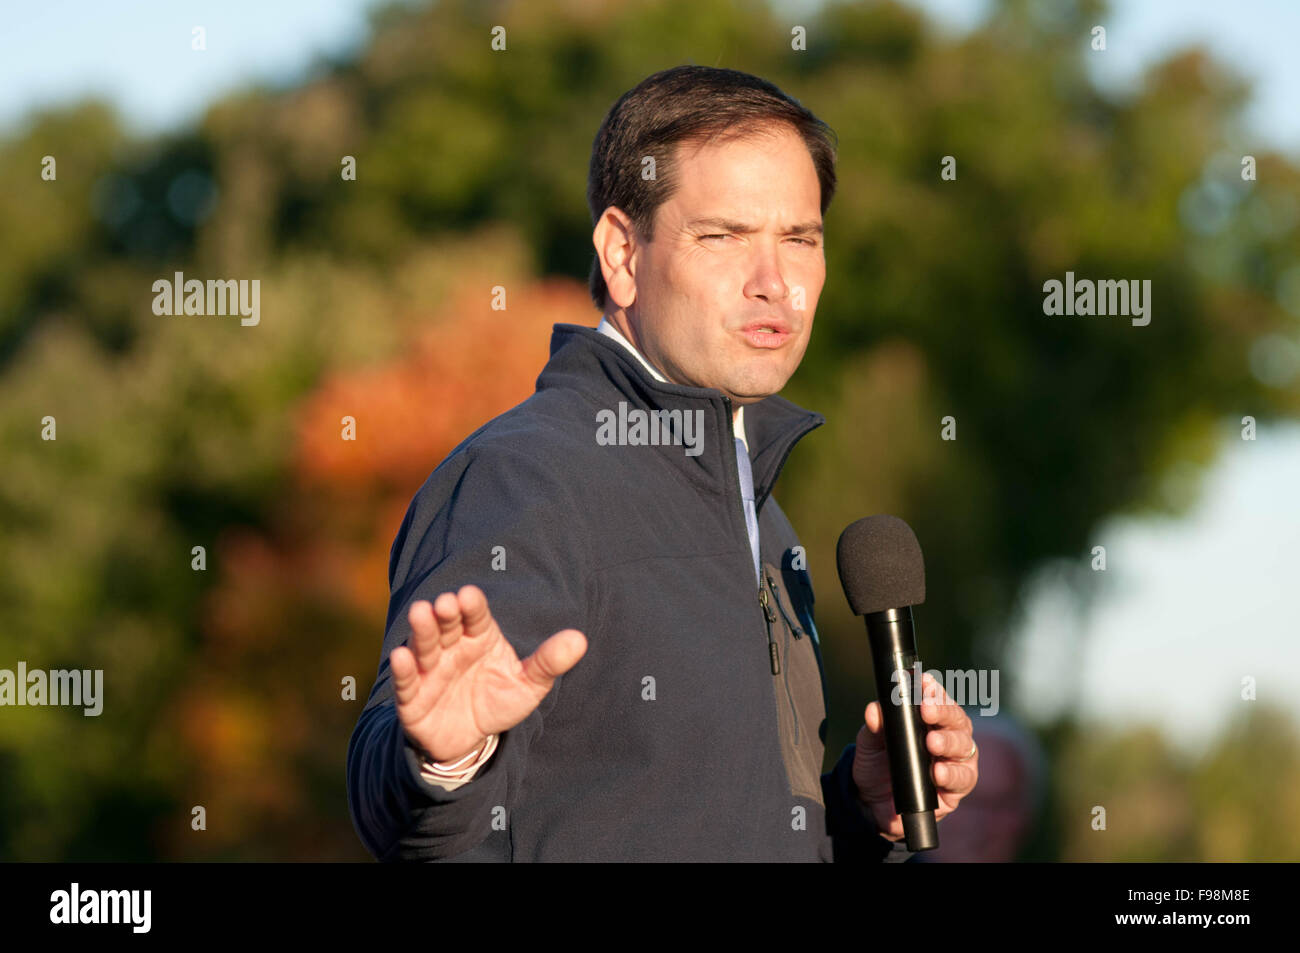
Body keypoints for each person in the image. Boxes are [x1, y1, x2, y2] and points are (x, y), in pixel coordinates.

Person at [346, 65, 978, 862]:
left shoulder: (756, 504)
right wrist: (443, 760)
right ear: (622, 252)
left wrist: (857, 809)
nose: (775, 283)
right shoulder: (527, 477)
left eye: (800, 239)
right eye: (722, 236)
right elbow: (398, 809)